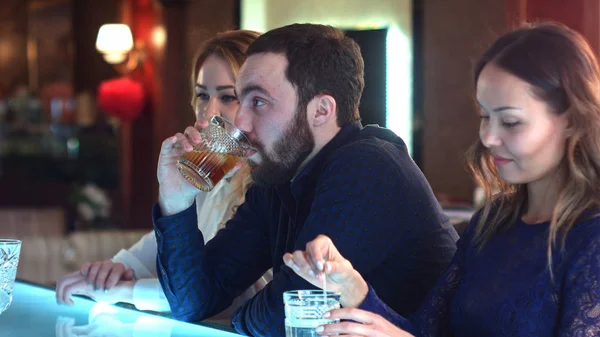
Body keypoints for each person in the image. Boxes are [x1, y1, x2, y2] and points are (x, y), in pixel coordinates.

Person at [284, 22, 600, 337]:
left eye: (510, 121)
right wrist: (353, 288)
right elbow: (424, 331)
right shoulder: (493, 220)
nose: (488, 137)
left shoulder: (591, 239)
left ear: (572, 120)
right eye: (485, 116)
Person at [154, 23, 458, 336]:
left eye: (258, 101)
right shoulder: (278, 176)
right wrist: (176, 201)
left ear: (321, 111)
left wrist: (239, 317)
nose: (241, 122)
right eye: (241, 100)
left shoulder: (369, 167)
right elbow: (192, 302)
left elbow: (285, 316)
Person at [55, 30, 272, 324]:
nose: (208, 113)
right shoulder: (215, 173)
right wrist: (118, 267)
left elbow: (222, 294)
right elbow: (175, 241)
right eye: (202, 95)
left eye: (228, 96)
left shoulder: (266, 186)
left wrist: (125, 291)